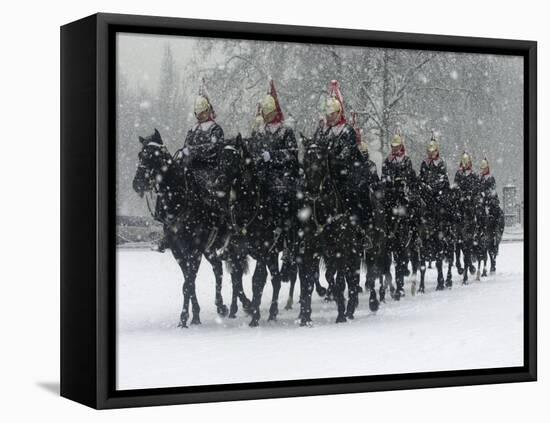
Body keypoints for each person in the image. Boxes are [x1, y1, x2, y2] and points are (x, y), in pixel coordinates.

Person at [249, 79, 299, 272]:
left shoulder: (286, 131)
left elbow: (292, 154)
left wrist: (273, 157)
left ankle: (286, 240)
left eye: (269, 113)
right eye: (265, 113)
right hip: (262, 176)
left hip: (282, 177)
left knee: (283, 200)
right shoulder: (260, 131)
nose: (267, 116)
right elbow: (252, 151)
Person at [381, 132, 417, 300]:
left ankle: (414, 235)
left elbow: (411, 179)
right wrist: (390, 183)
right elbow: (384, 178)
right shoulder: (387, 161)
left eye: (397, 147)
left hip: (402, 197)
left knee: (413, 211)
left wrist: (404, 184)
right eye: (393, 147)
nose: (395, 150)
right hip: (390, 198)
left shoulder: (407, 161)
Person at [418, 133, 451, 289]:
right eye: (429, 151)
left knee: (445, 213)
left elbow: (444, 180)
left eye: (433, 151)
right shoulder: (424, 164)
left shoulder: (441, 164)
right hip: (426, 198)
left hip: (438, 199)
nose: (431, 154)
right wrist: (423, 186)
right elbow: (421, 178)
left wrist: (436, 189)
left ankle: (446, 236)